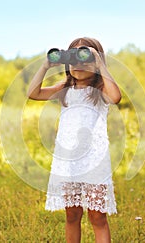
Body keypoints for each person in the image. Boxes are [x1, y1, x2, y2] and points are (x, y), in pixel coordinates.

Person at [27, 37, 121, 243]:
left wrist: (100, 64)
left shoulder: (101, 89)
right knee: (72, 214)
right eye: (74, 58)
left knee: (98, 216)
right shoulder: (65, 88)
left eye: (85, 58)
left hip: (94, 161)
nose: (79, 65)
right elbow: (33, 93)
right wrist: (45, 65)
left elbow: (115, 97)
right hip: (68, 161)